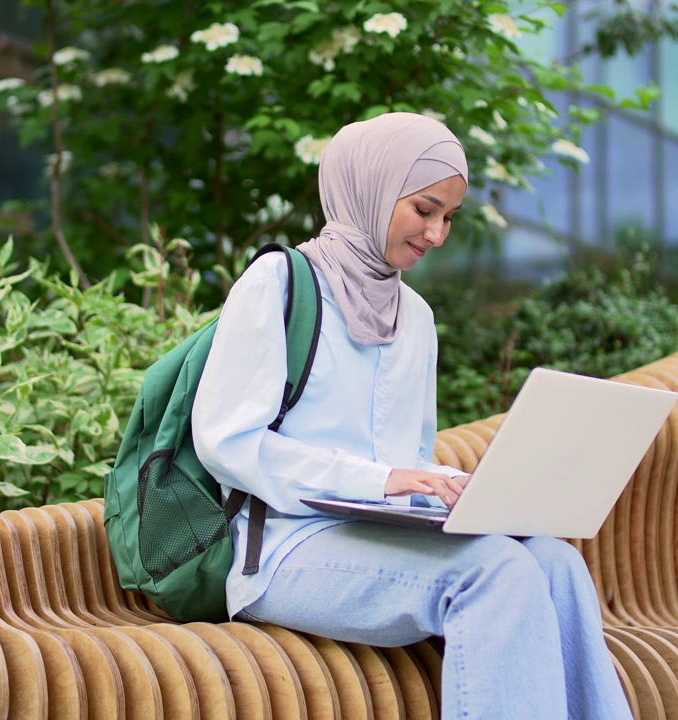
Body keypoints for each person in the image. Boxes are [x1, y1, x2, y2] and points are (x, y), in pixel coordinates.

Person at [192, 112, 632, 720]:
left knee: (555, 561)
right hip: (284, 550)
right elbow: (227, 442)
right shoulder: (280, 282)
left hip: (382, 536)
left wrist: (452, 493)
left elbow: (406, 460)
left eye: (449, 217)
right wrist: (382, 480)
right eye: (424, 209)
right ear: (369, 189)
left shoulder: (415, 316)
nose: (437, 234)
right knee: (494, 574)